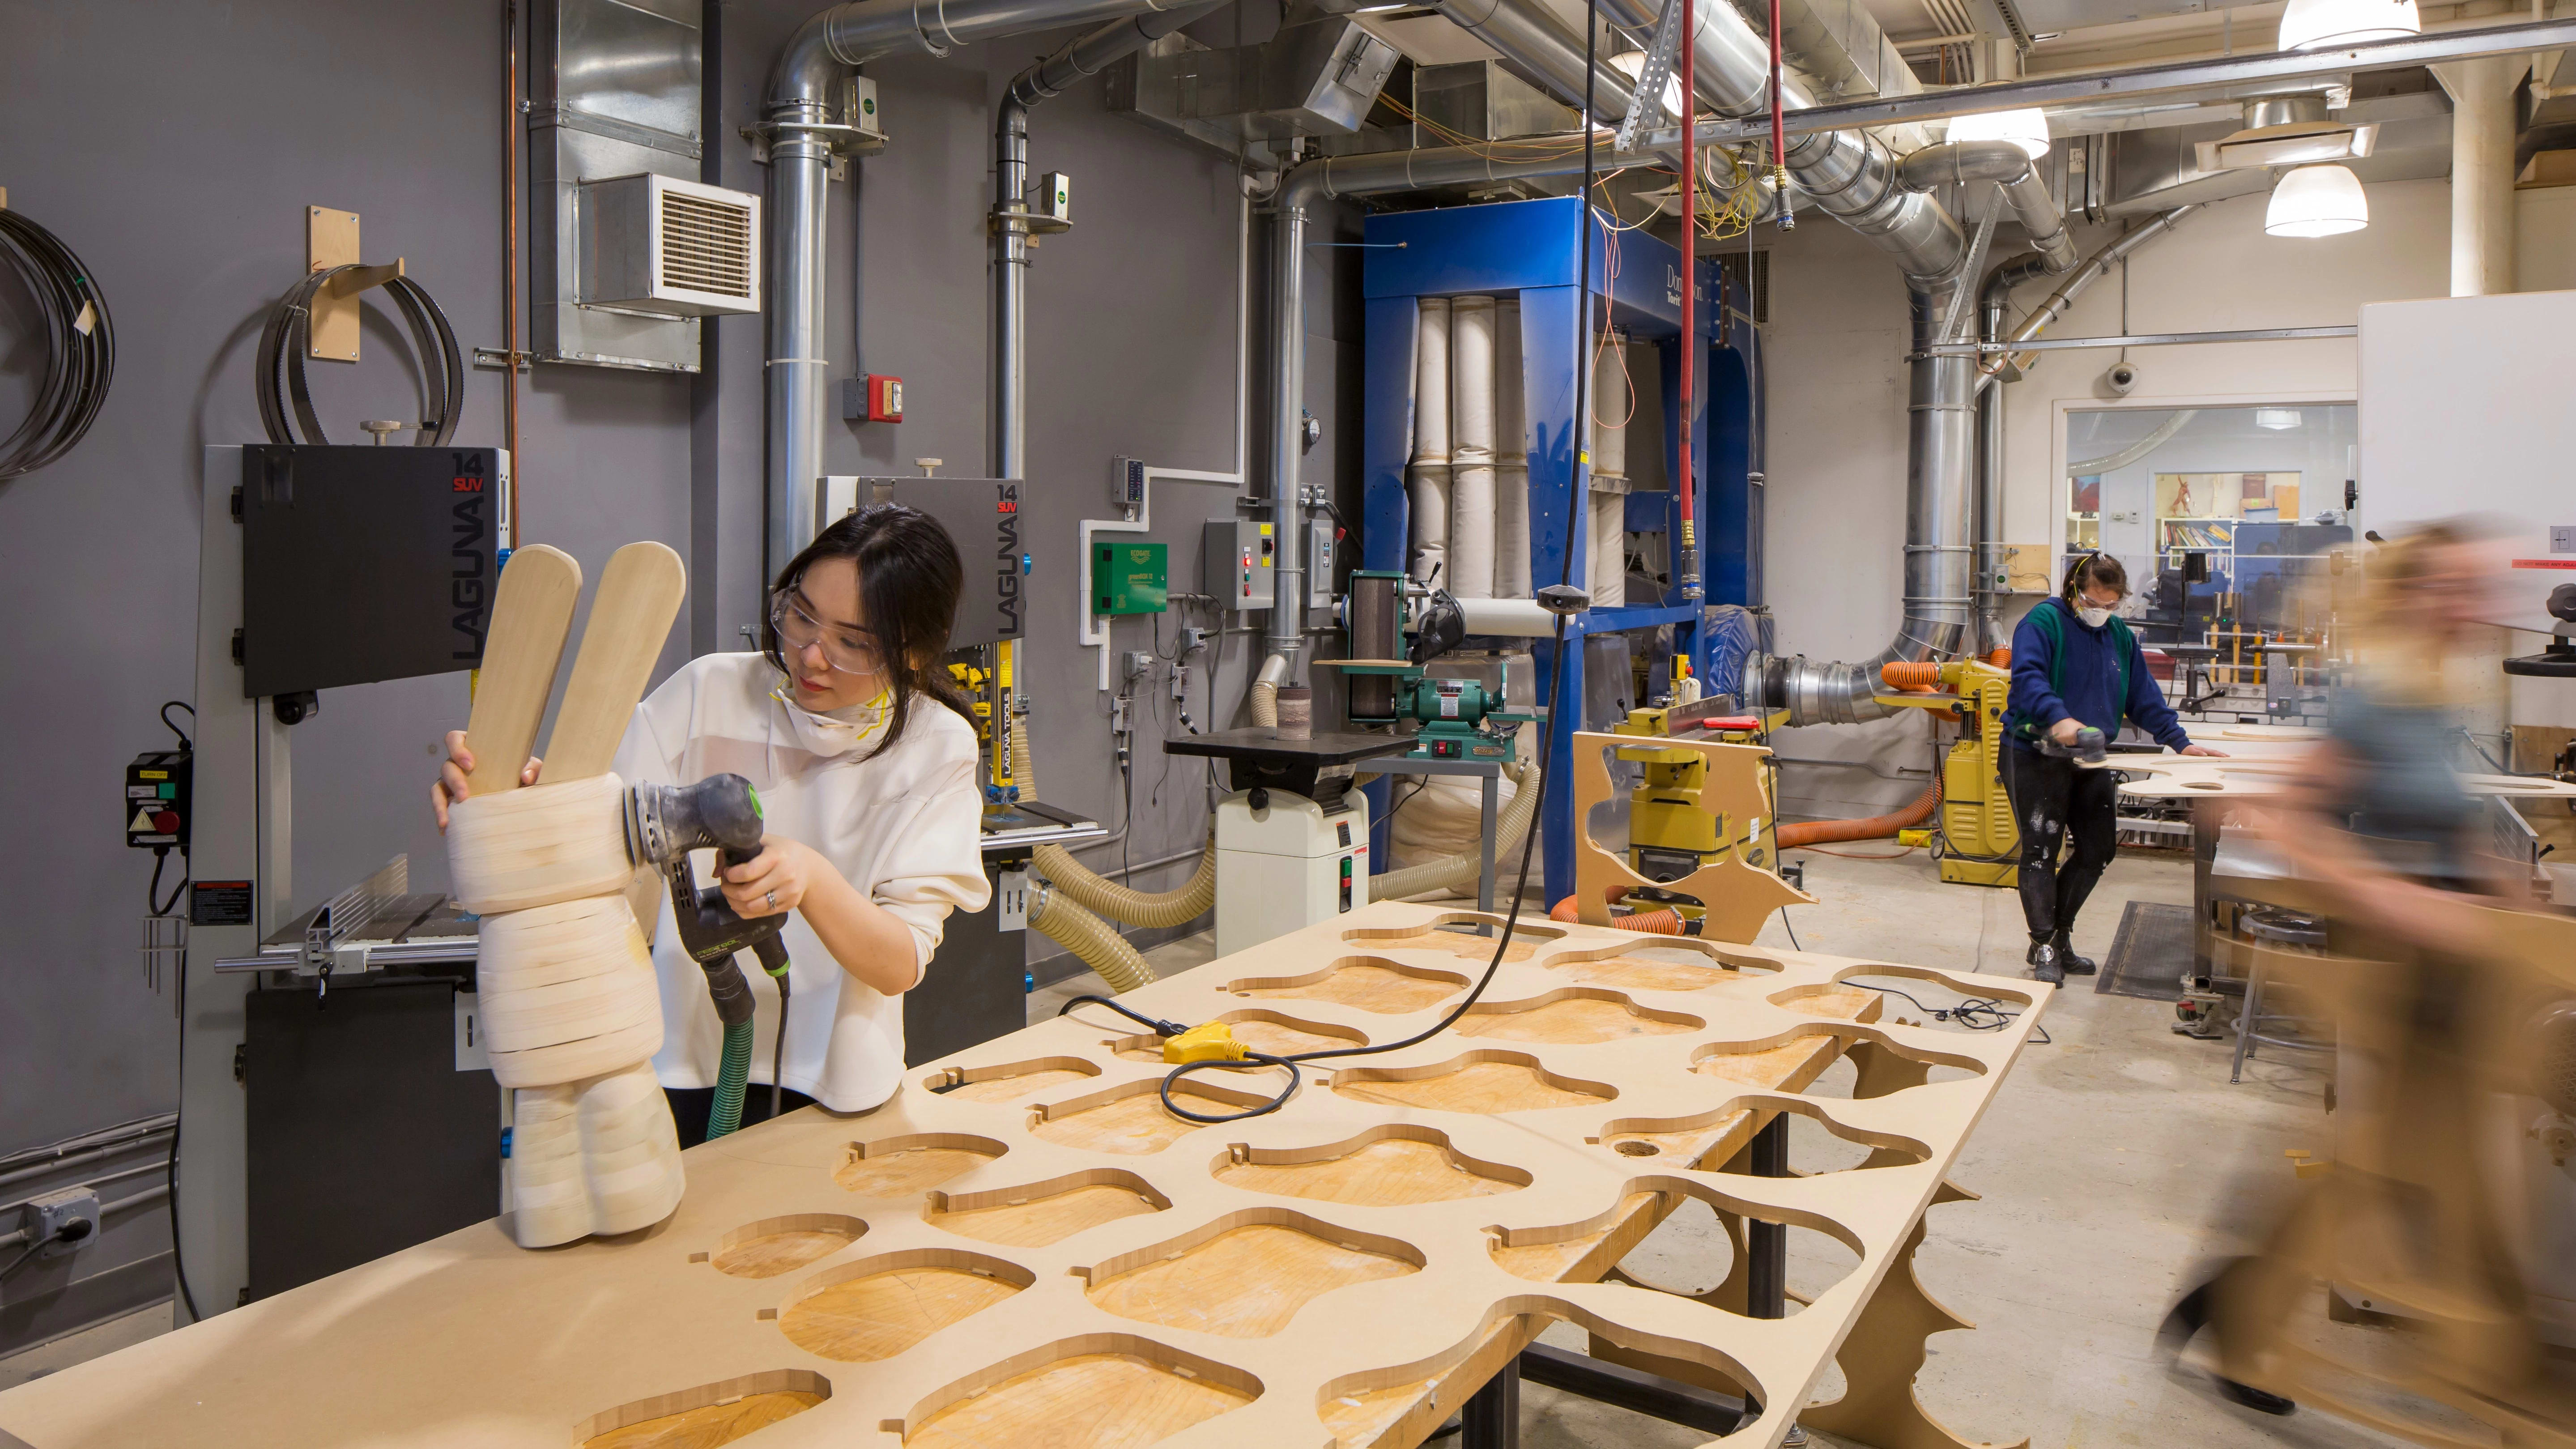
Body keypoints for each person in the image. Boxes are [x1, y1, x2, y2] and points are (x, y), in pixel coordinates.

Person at [434, 506, 991, 1143]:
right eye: (802, 614)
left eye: (852, 642)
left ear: (913, 652)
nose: (810, 654)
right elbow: (601, 826)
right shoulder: (709, 691)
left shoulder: (936, 746)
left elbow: (899, 962)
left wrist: (812, 879)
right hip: (681, 1058)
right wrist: (512, 797)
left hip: (834, 1078)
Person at [1999, 551, 2223, 987]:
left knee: (2098, 849)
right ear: (2073, 590)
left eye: (2111, 605)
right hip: (2033, 750)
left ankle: (2060, 936)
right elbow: (2028, 679)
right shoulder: (2042, 623)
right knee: (2041, 849)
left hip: (2089, 755)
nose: (2101, 612)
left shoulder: (2118, 634)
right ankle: (2044, 943)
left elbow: (2142, 696)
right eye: (2093, 603)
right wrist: (2060, 719)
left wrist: (2180, 742)